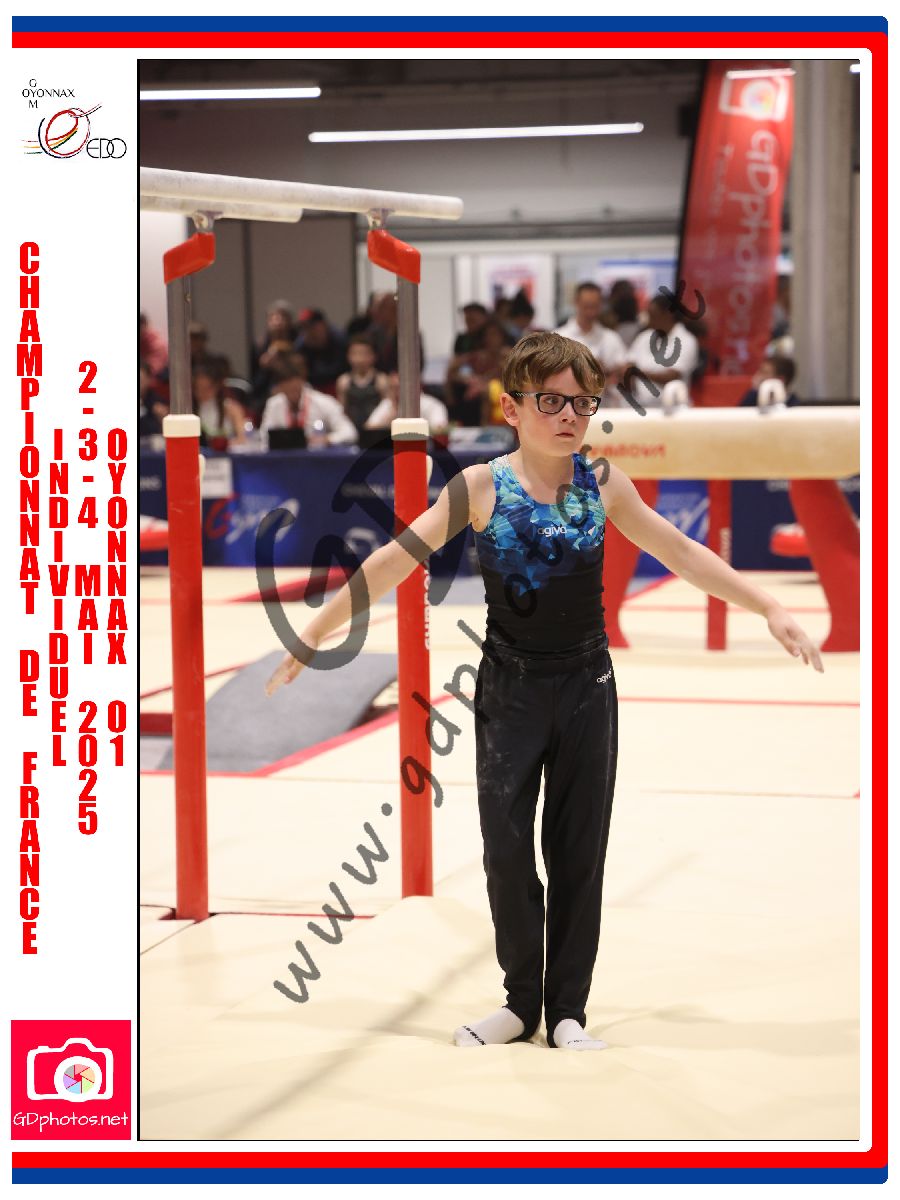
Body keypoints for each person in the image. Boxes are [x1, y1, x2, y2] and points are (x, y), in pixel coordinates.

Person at [265, 331, 823, 1052]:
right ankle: (519, 1001)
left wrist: (768, 606)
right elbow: (394, 559)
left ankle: (566, 1011)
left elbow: (680, 551)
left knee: (578, 852)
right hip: (510, 692)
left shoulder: (603, 482)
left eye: (583, 403)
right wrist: (315, 632)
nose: (569, 416)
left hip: (588, 686)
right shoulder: (479, 487)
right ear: (512, 408)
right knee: (505, 853)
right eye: (552, 401)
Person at [618, 293, 699, 410]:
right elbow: (627, 365)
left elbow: (672, 376)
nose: (649, 321)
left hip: (673, 408)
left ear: (668, 315)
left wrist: (638, 372)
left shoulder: (687, 340)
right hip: (641, 405)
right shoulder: (644, 336)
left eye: (653, 316)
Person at [259, 353, 358, 448]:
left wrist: (327, 439)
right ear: (280, 387)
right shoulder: (273, 404)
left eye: (295, 388)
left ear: (302, 381)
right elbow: (264, 437)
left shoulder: (324, 402)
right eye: (287, 389)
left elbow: (350, 433)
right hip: (283, 458)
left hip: (316, 458)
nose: (292, 392)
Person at [556, 281, 628, 399]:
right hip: (568, 402)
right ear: (576, 302)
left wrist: (613, 372)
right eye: (586, 306)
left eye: (595, 306)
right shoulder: (559, 337)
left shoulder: (611, 338)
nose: (590, 312)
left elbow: (625, 371)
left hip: (605, 402)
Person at [365, 371, 449, 435]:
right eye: (392, 388)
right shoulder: (387, 403)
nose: (395, 393)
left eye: (398, 388)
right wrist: (389, 418)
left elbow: (440, 430)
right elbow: (368, 429)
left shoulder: (432, 405)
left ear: (414, 387)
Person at [336, 336, 390, 433]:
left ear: (373, 356)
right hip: (353, 430)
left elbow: (387, 408)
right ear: (348, 356)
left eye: (364, 353)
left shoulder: (381, 380)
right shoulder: (344, 381)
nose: (359, 358)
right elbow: (342, 411)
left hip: (375, 429)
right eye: (355, 353)